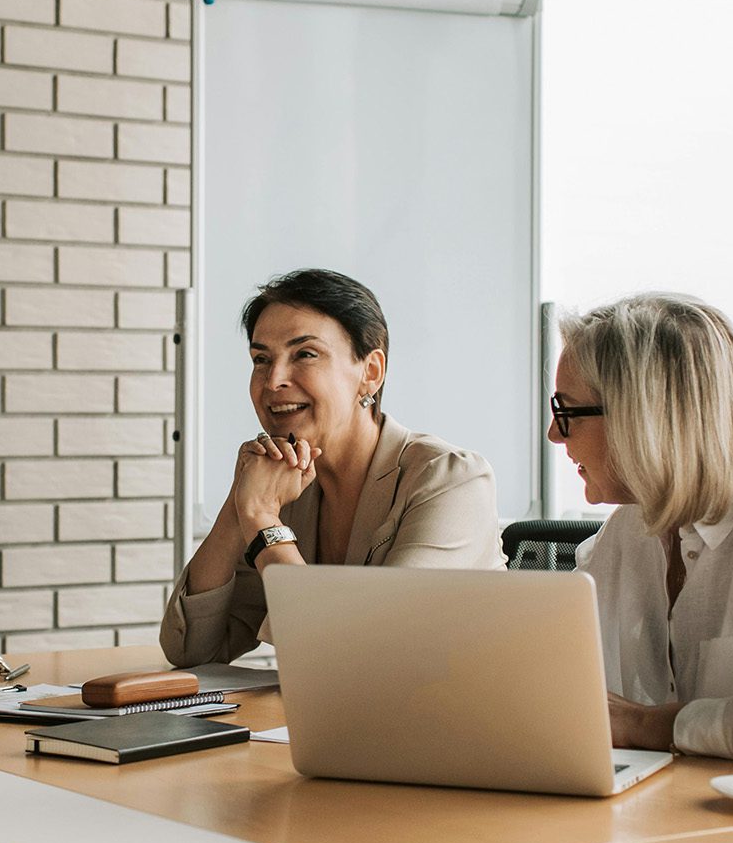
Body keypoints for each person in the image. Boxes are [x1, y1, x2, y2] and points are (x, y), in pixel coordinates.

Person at [550, 292, 733, 767]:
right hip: (655, 805)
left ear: (643, 417)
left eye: (566, 412)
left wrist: (650, 725)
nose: (554, 434)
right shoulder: (625, 532)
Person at [160, 268, 504, 667]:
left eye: (305, 354)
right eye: (261, 359)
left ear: (370, 372)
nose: (273, 380)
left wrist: (262, 518)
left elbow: (369, 653)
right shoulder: (289, 489)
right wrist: (240, 505)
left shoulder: (451, 480)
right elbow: (190, 648)